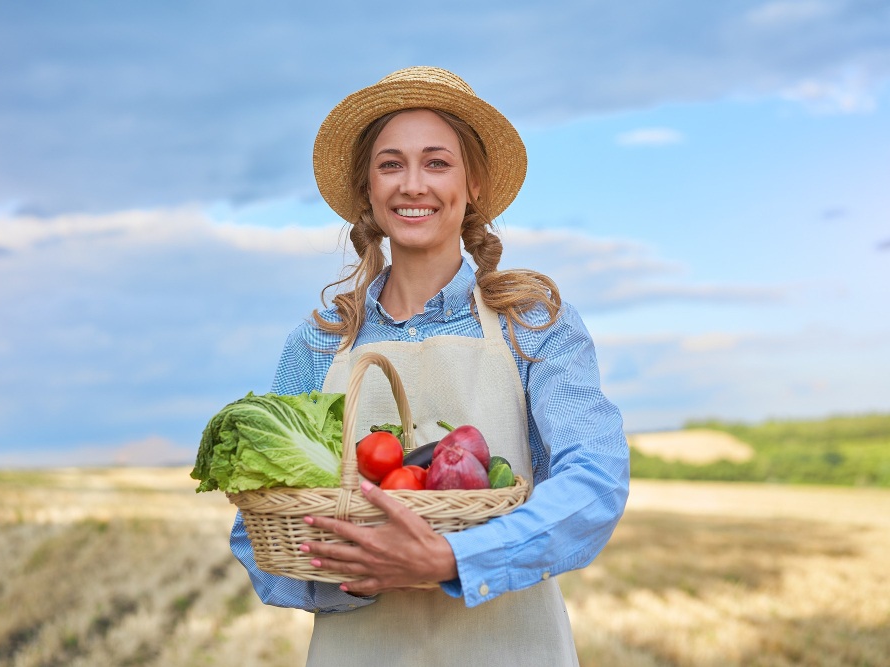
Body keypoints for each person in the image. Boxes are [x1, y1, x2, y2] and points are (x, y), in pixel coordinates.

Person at [229, 66, 630, 665]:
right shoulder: (319, 343)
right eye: (391, 164)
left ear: (474, 186)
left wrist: (452, 560)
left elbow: (594, 483)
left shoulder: (533, 325)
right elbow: (255, 522)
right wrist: (353, 576)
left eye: (437, 163)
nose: (412, 185)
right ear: (367, 188)